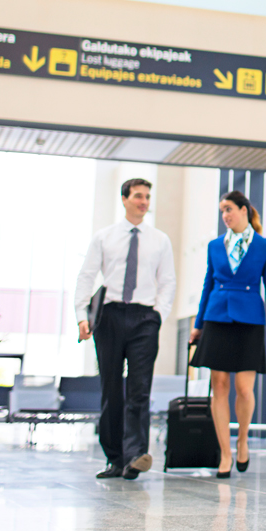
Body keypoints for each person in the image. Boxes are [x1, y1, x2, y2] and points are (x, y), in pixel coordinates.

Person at [75, 177, 176, 480]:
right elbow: (87, 275)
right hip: (110, 316)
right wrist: (82, 314)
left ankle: (135, 456)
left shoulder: (160, 240)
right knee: (111, 389)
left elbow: (167, 281)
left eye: (147, 197)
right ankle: (115, 459)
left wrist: (158, 315)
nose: (144, 202)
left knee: (139, 389)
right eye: (138, 196)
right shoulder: (104, 237)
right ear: (124, 199)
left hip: (145, 318)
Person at [190, 190, 266, 478]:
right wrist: (198, 324)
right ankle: (225, 453)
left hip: (249, 319)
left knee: (244, 389)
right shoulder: (214, 245)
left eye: (229, 209)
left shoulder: (265, 246)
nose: (225, 215)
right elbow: (207, 284)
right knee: (219, 386)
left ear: (245, 210)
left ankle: (242, 440)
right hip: (216, 317)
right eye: (222, 211)